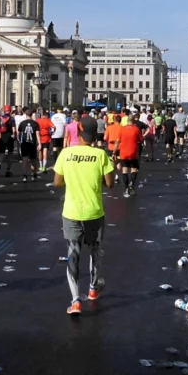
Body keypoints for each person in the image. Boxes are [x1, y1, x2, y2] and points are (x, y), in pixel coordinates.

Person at [53, 115, 115, 315]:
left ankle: (75, 300)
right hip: (94, 211)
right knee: (95, 250)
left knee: (74, 253)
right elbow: (110, 183)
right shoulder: (100, 155)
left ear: (78, 132)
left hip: (72, 211)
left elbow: (57, 182)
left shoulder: (66, 154)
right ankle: (93, 289)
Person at [117, 112, 145, 196]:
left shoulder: (122, 129)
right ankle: (132, 183)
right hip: (133, 151)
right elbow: (141, 139)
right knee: (134, 169)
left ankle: (126, 189)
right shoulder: (136, 129)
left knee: (124, 170)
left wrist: (115, 151)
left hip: (123, 152)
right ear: (134, 120)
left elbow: (118, 140)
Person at [18, 108, 41, 182]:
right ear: (32, 115)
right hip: (32, 143)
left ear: (25, 114)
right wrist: (39, 143)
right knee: (33, 159)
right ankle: (34, 173)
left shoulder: (22, 123)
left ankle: (25, 175)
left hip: (24, 143)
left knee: (24, 159)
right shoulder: (35, 123)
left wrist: (18, 140)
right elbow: (37, 134)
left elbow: (19, 133)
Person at [0, 105, 17, 177]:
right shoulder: (12, 119)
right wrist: (14, 136)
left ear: (4, 110)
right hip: (9, 138)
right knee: (10, 154)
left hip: (1, 138)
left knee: (1, 153)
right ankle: (8, 170)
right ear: (10, 110)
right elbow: (14, 130)